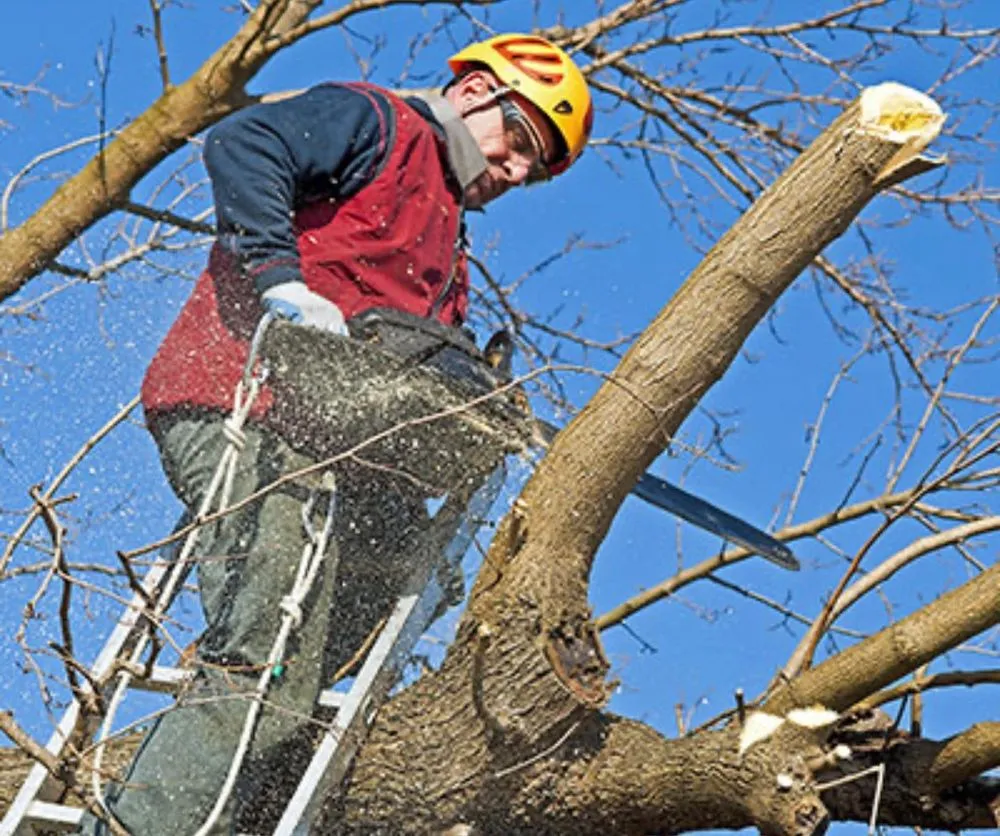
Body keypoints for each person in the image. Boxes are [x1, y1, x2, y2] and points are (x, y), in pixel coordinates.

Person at [82, 33, 593, 835]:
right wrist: (283, 281)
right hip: (240, 406)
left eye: (537, 166)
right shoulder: (377, 124)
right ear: (475, 94)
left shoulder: (446, 255)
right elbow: (245, 142)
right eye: (521, 140)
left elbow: (395, 390)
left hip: (325, 458)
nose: (519, 171)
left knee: (357, 625)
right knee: (260, 656)